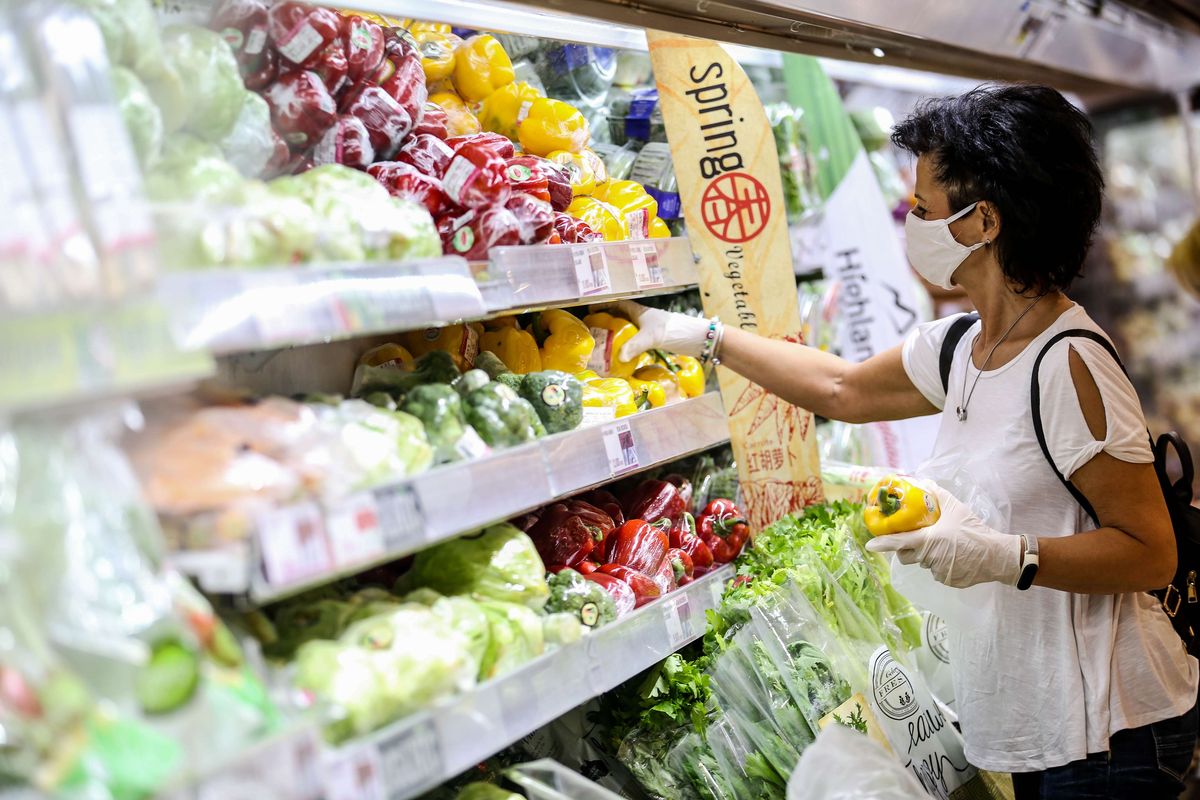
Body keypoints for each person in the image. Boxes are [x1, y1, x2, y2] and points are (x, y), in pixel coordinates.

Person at [617, 84, 1198, 798]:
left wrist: (1005, 556)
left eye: (922, 208)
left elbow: (1151, 552)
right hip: (1037, 723)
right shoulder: (962, 347)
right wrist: (698, 336)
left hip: (1111, 735)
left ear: (981, 222)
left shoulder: (1069, 361)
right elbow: (841, 389)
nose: (909, 221)